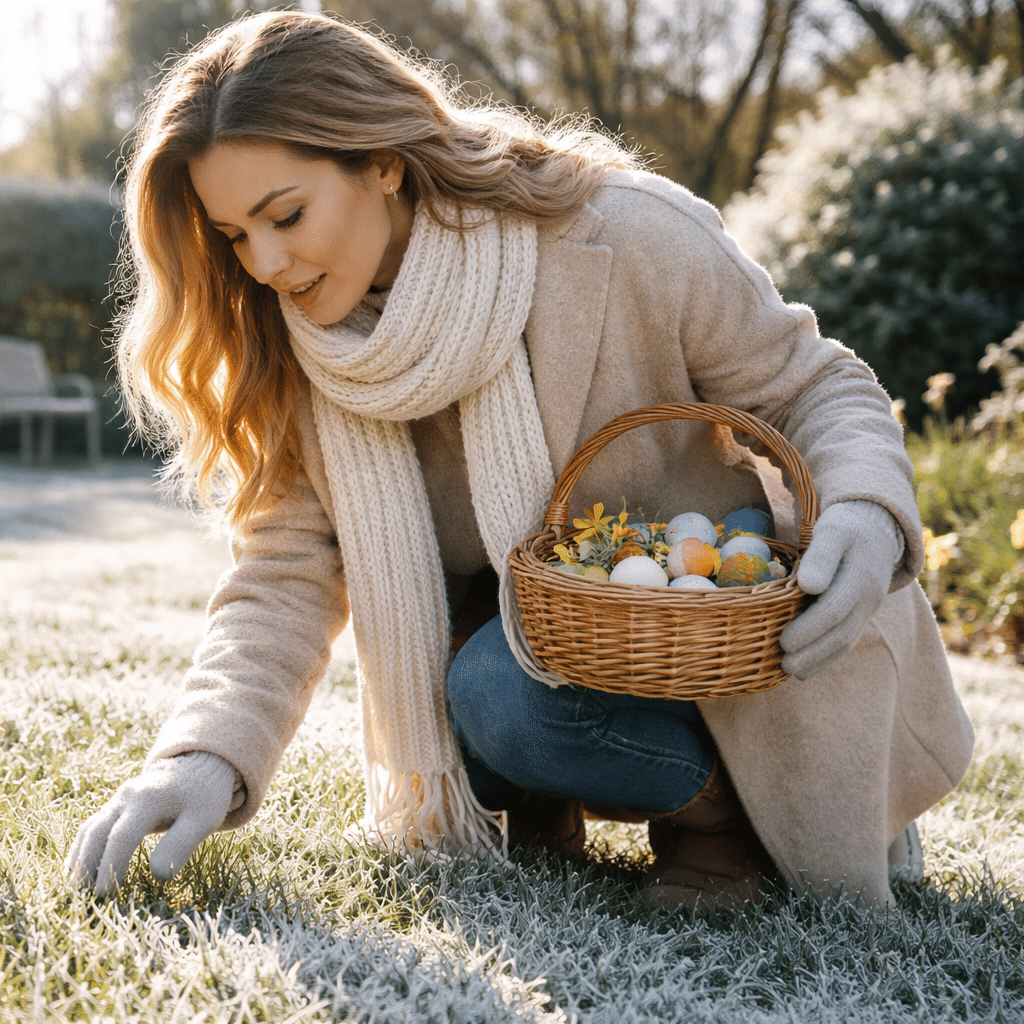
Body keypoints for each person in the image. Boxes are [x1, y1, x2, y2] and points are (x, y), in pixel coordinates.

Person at [64, 9, 974, 911]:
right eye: (234, 236)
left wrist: (862, 506)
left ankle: (722, 819)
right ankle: (542, 794)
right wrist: (199, 759)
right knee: (476, 690)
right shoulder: (300, 343)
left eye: (285, 216)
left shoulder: (625, 230)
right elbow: (283, 573)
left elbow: (815, 385)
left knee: (501, 689)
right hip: (524, 643)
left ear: (382, 162)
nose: (264, 263)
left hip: (701, 629)